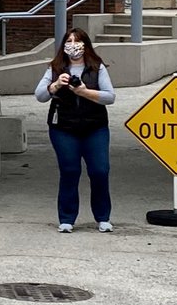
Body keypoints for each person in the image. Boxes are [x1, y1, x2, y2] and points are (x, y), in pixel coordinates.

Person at [35, 26, 116, 234]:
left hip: (95, 127)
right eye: (68, 41)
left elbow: (109, 97)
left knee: (100, 170)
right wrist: (55, 86)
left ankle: (103, 217)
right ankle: (66, 218)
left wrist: (84, 92)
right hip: (63, 128)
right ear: (63, 46)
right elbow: (40, 95)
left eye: (77, 41)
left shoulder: (97, 68)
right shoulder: (54, 68)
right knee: (70, 171)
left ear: (86, 45)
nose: (73, 45)